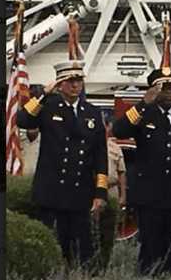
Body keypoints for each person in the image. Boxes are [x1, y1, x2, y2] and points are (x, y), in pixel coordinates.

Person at [112, 65, 171, 276]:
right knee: (150, 249)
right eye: (164, 89)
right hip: (149, 197)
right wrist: (143, 103)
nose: (170, 93)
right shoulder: (144, 114)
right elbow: (118, 130)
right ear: (154, 91)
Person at [17, 60, 108, 267]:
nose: (75, 85)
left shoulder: (92, 112)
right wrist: (43, 94)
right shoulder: (48, 107)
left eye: (79, 81)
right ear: (60, 84)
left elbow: (100, 156)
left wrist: (100, 193)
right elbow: (22, 120)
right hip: (52, 193)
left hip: (80, 193)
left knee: (82, 250)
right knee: (52, 248)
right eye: (70, 81)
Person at [102, 112, 127, 208]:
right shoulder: (91, 146)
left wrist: (123, 196)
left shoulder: (115, 148)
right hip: (94, 191)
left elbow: (122, 173)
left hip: (112, 189)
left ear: (109, 127)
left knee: (111, 220)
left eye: (105, 125)